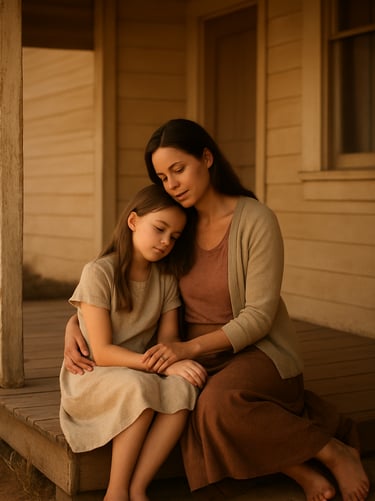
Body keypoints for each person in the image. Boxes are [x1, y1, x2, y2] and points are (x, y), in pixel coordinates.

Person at [64, 119, 370, 501]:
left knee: (215, 406)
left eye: (179, 169)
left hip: (256, 349)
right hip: (192, 353)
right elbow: (125, 276)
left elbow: (259, 316)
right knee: (194, 398)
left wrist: (186, 350)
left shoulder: (256, 220)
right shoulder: (179, 225)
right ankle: (303, 472)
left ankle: (331, 450)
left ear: (206, 158)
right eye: (162, 177)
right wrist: (77, 322)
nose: (172, 184)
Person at [59, 183, 207, 501]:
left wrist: (173, 360)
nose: (166, 241)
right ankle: (116, 491)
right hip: (93, 374)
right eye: (160, 229)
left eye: (175, 236)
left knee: (184, 388)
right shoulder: (100, 272)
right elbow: (101, 351)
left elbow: (168, 338)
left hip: (137, 370)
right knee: (138, 387)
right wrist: (161, 365)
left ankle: (139, 487)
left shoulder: (165, 279)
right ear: (133, 221)